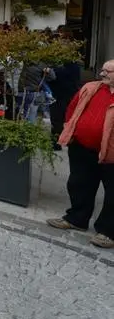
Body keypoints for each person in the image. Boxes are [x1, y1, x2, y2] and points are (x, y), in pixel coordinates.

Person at [47, 59, 114, 249]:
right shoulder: (91, 88)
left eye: (109, 71)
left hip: (111, 153)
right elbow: (72, 108)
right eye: (103, 70)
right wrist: (70, 129)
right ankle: (77, 218)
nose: (103, 74)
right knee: (79, 183)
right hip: (83, 148)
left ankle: (108, 231)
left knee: (112, 194)